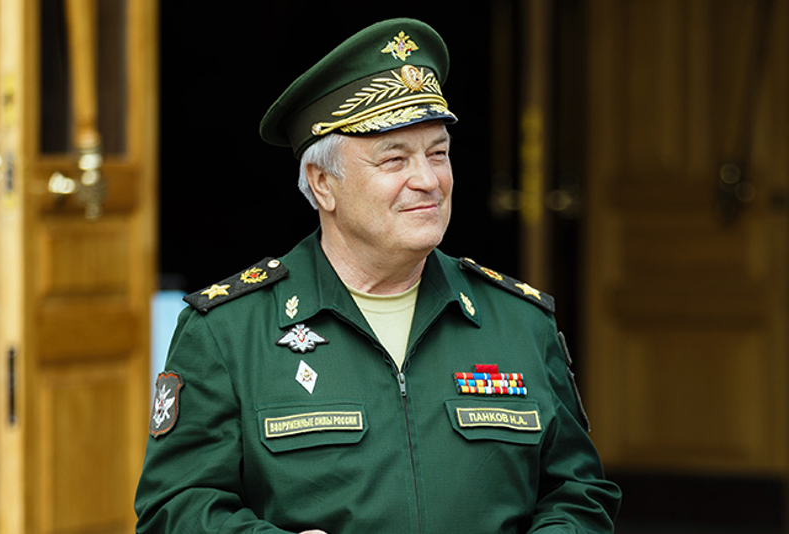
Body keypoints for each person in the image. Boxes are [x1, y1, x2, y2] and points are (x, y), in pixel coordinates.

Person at [135, 17, 621, 534]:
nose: (428, 180)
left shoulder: (518, 322)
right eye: (394, 160)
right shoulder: (229, 332)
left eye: (438, 154)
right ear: (323, 184)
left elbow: (578, 494)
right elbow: (175, 508)